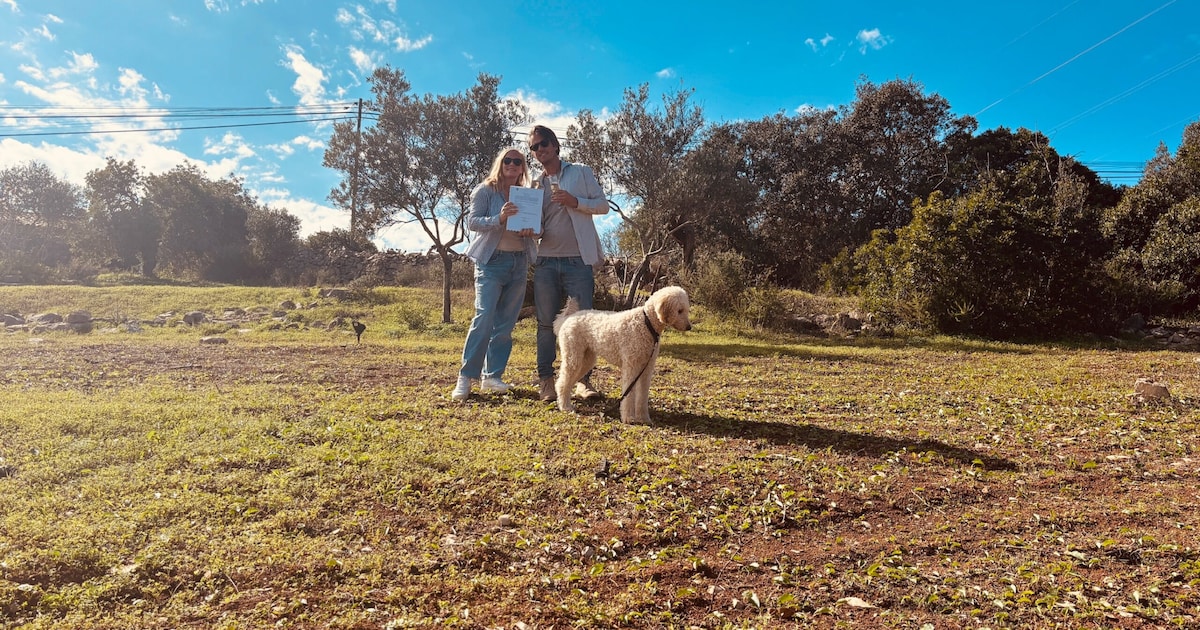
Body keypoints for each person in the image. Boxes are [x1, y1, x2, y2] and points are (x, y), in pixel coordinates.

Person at [527, 124, 610, 402]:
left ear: (555, 144)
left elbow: (602, 205)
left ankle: (582, 383)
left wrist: (575, 201)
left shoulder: (581, 172)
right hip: (547, 261)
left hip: (578, 261)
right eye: (534, 147)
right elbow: (537, 225)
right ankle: (547, 383)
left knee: (583, 324)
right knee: (545, 324)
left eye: (543, 143)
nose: (539, 150)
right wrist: (530, 229)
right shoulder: (534, 185)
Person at [452, 147, 539, 401]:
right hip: (491, 263)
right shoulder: (485, 190)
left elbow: (537, 226)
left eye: (518, 161)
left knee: (505, 324)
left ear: (523, 167)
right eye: (507, 160)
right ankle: (466, 377)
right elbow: (473, 222)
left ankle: (492, 377)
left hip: (519, 262)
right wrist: (499, 218)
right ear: (500, 163)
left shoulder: (528, 194)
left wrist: (530, 231)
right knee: (484, 318)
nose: (512, 164)